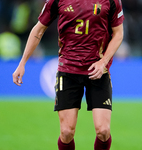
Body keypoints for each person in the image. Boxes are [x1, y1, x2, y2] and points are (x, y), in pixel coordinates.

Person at [12, 0, 124, 149]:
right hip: (68, 71)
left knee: (103, 131)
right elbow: (39, 29)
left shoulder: (112, 1)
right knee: (66, 132)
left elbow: (118, 33)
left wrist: (103, 61)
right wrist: (22, 63)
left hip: (98, 70)